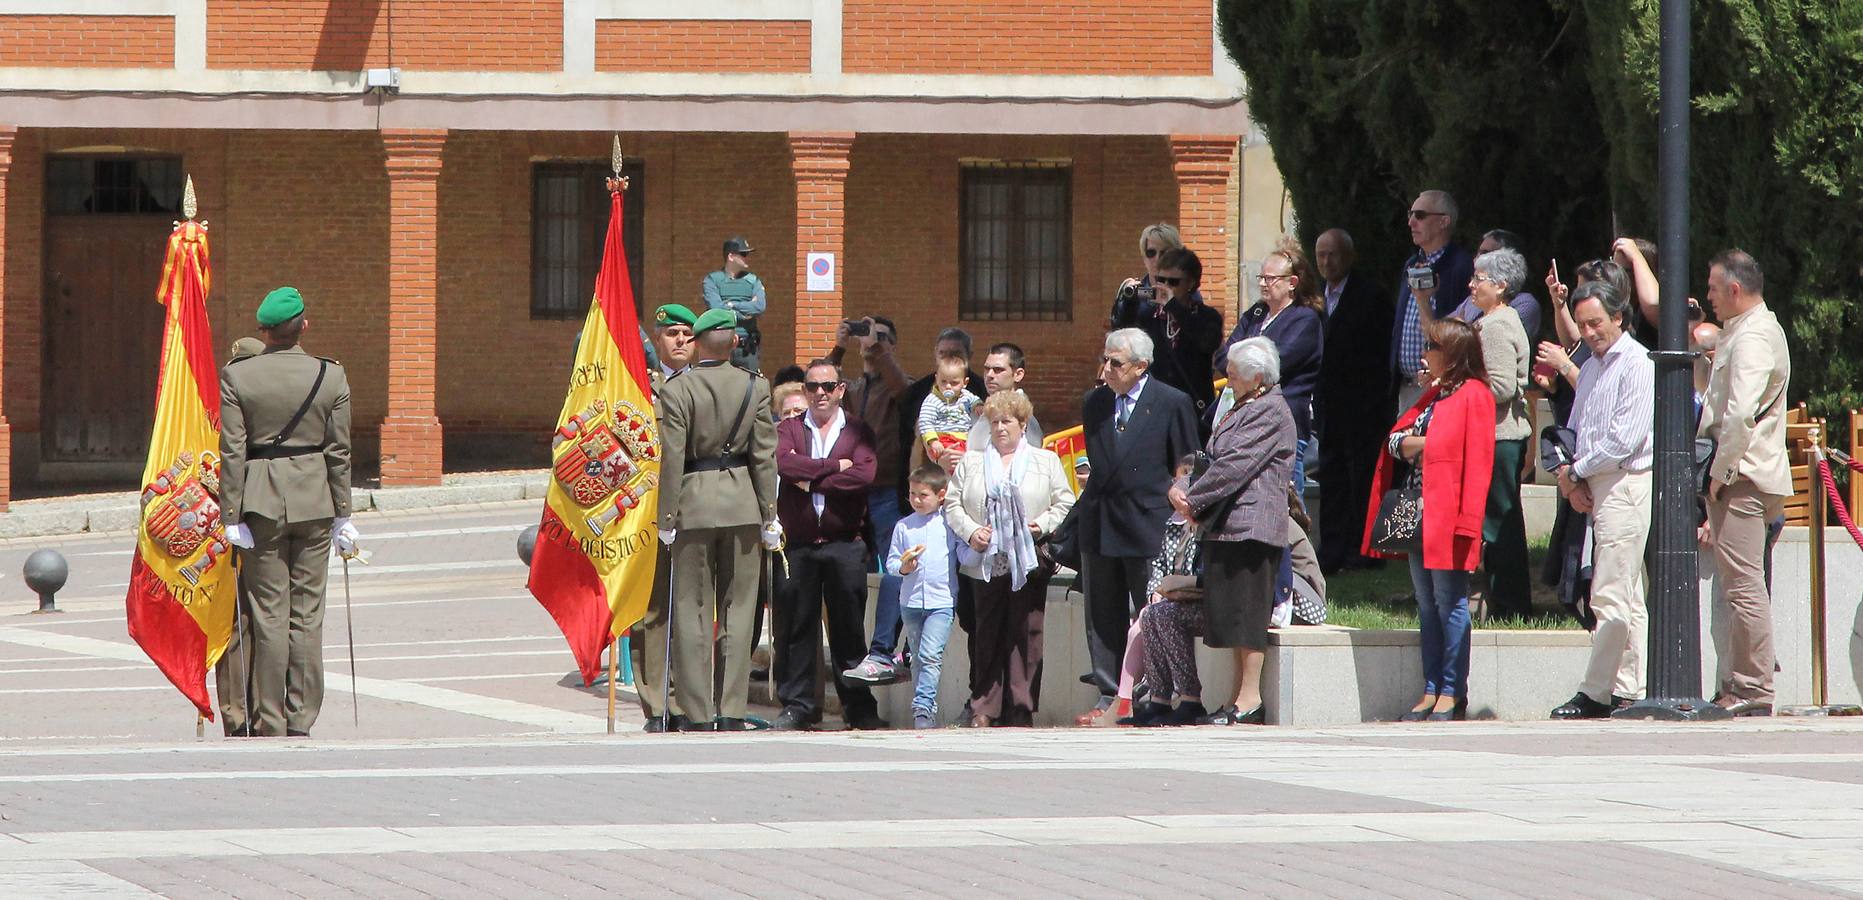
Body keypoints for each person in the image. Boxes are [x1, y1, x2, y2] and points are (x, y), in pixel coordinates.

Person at [217, 286, 356, 738]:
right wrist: (343, 514)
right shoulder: (329, 376)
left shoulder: (238, 378)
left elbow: (232, 451)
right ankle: (302, 717)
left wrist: (230, 514)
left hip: (259, 500)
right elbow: (339, 451)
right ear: (303, 327)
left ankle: (269, 718)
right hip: (315, 498)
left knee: (268, 612)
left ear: (264, 331)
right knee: (308, 613)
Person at [655, 309, 780, 732]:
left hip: (692, 501)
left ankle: (697, 712)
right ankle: (730, 710)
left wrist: (666, 516)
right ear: (732, 343)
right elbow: (765, 456)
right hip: (743, 501)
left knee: (691, 609)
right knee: (739, 609)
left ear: (698, 341)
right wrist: (769, 514)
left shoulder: (678, 389)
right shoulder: (755, 386)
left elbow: (672, 458)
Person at [1366, 318, 1495, 722]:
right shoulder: (1434, 394)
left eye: (1433, 347)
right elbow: (1393, 439)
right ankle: (1430, 686)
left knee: (1450, 601)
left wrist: (1421, 445)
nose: (1425, 354)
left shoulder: (1475, 395)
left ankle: (1453, 690)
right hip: (1419, 511)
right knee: (1426, 603)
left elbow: (1475, 461)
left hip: (1450, 512)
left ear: (1454, 354)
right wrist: (1421, 444)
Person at [1074, 328, 1200, 723]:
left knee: (1150, 610)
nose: (1107, 369)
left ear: (1141, 366)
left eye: (1117, 363)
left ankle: (1152, 691)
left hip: (1148, 521)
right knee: (1102, 612)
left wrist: (1177, 493)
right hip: (1102, 518)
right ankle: (1109, 692)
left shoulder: (1171, 401)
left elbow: (1187, 462)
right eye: (1105, 360)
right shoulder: (1095, 403)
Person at [1174, 336, 1296, 726]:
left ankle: (1249, 701)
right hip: (1227, 524)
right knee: (1230, 616)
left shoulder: (1270, 410)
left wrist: (1193, 501)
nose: (1227, 380)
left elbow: (1235, 465)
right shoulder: (1243, 403)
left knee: (1247, 616)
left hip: (1252, 525)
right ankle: (1235, 698)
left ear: (1257, 376)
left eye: (1233, 375)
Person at [1547, 281, 1654, 719]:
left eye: (1597, 323)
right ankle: (1627, 688)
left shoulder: (1637, 363)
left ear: (1619, 319)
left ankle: (1596, 691)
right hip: (1595, 482)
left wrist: (1576, 472)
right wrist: (1571, 478)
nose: (1589, 332)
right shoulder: (1591, 366)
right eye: (1584, 324)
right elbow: (1577, 427)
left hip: (1625, 483)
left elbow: (1624, 440)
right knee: (1625, 594)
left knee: (1610, 592)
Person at [945, 390, 1076, 727]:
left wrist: (1041, 525)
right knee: (986, 632)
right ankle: (985, 708)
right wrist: (972, 531)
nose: (1001, 428)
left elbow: (1064, 502)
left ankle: (1021, 707)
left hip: (1028, 560)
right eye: (995, 422)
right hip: (985, 561)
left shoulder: (1044, 461)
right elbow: (952, 504)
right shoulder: (973, 461)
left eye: (1008, 422)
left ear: (1022, 425)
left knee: (1026, 634)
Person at [1698, 249, 1790, 717]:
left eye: (1714, 287)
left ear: (1735, 289)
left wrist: (1719, 475)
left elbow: (1739, 416)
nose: (1709, 296)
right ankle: (1741, 685)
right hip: (1746, 473)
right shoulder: (1749, 330)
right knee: (1738, 585)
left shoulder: (1753, 336)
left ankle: (1753, 689)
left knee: (1743, 586)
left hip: (1745, 475)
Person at [772, 359, 886, 731]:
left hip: (844, 543)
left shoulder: (858, 430)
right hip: (799, 545)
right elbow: (785, 467)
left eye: (827, 386)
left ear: (840, 390)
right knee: (796, 628)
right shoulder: (789, 428)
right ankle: (798, 706)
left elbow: (864, 475)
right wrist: (835, 466)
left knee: (849, 629)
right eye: (811, 386)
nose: (819, 393)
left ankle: (858, 706)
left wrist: (813, 479)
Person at [831, 315, 915, 687]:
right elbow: (822, 386)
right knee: (850, 580)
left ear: (891, 347)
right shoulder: (855, 387)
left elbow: (904, 391)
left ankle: (886, 649)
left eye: (880, 338)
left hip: (886, 494)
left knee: (897, 571)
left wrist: (876, 347)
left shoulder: (900, 386)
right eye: (866, 337)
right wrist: (840, 346)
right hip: (854, 495)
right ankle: (853, 658)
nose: (869, 343)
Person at [1312, 228, 1395, 574]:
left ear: (1348, 256)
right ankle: (1331, 551)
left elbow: (1378, 352)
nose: (1327, 262)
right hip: (1329, 405)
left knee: (1361, 479)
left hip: (1363, 405)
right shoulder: (1316, 298)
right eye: (1321, 256)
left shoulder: (1370, 295)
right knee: (1331, 478)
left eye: (1333, 255)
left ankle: (1362, 552)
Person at [634, 303, 698, 732]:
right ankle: (656, 704)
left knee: (695, 610)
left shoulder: (710, 386)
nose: (679, 340)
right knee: (652, 611)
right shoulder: (639, 390)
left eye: (687, 334)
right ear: (657, 340)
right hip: (651, 514)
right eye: (671, 332)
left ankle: (690, 702)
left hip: (698, 511)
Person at [1461, 247, 1534, 620]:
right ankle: (1503, 599)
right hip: (1497, 435)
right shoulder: (1490, 321)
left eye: (1480, 279)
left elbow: (1502, 387)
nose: (1471, 285)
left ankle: (1510, 603)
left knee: (1500, 520)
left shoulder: (1497, 325)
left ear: (1501, 286)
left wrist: (1460, 386)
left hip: (1500, 436)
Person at [1221, 239, 1323, 494]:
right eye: (1261, 277)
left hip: (1284, 422)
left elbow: (1276, 365)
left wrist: (1242, 365)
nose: (1263, 283)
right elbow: (1223, 356)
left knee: (1284, 504)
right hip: (1246, 423)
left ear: (1292, 283)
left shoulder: (1304, 319)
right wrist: (1242, 367)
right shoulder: (1255, 314)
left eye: (1271, 278)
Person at [212, 336, 269, 736]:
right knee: (267, 616)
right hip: (268, 517)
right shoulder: (275, 401)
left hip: (237, 519)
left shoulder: (226, 406)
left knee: (235, 623)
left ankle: (236, 713)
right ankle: (266, 711)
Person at [1123, 454, 1205, 726]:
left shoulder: (1207, 525)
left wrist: (1177, 589)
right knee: (1152, 613)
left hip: (1204, 601)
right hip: (1174, 597)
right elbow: (1158, 564)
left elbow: (1206, 577)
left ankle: (1190, 698)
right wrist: (1156, 590)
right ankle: (1158, 699)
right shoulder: (1173, 525)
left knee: (1165, 615)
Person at [887, 465, 963, 728]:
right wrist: (904, 567)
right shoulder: (903, 527)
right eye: (912, 494)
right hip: (910, 602)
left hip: (941, 602)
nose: (917, 500)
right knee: (918, 656)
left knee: (931, 654)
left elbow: (962, 555)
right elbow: (892, 563)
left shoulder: (949, 525)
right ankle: (922, 706)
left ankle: (923, 708)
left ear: (941, 495)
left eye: (923, 495)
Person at [1390, 190, 1475, 415]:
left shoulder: (1461, 267)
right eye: (1410, 214)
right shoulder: (1412, 262)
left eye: (1419, 215)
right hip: (1406, 386)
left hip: (1440, 386)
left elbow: (1459, 329)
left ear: (1443, 222)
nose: (1410, 222)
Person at [1138, 247, 1224, 427]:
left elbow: (1206, 344)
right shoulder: (1148, 317)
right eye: (1160, 280)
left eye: (1173, 282)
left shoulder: (1207, 317)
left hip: (1192, 408)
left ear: (1190, 284)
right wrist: (1125, 303)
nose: (1165, 287)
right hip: (1155, 407)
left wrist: (1173, 306)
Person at [1449, 229, 1542, 339]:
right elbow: (1440, 333)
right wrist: (1423, 299)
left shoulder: (1525, 303)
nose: (1476, 258)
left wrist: (1460, 328)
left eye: (1485, 253)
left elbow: (1496, 339)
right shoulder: (1472, 300)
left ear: (1506, 260)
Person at [702, 236, 767, 372]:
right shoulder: (713, 280)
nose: (747, 257)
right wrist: (746, 311)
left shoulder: (753, 280)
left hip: (747, 348)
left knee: (750, 387)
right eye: (743, 254)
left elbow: (759, 306)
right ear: (731, 256)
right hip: (722, 346)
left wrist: (730, 305)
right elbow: (716, 309)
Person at [1110, 223, 1187, 329]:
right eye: (1151, 253)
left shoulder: (1188, 293)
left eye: (1164, 253)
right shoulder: (1135, 293)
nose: (1157, 258)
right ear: (1144, 257)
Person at [969, 343, 1043, 449]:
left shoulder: (1023, 417)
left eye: (998, 370)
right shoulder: (977, 409)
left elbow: (1031, 458)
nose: (989, 375)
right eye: (986, 369)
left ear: (1018, 375)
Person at [916, 355, 981, 466]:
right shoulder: (932, 400)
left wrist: (978, 405)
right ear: (936, 379)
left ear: (965, 383)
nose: (948, 386)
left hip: (964, 438)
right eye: (943, 382)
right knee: (953, 462)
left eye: (954, 383)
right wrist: (933, 441)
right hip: (943, 439)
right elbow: (925, 422)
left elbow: (974, 400)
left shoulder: (966, 396)